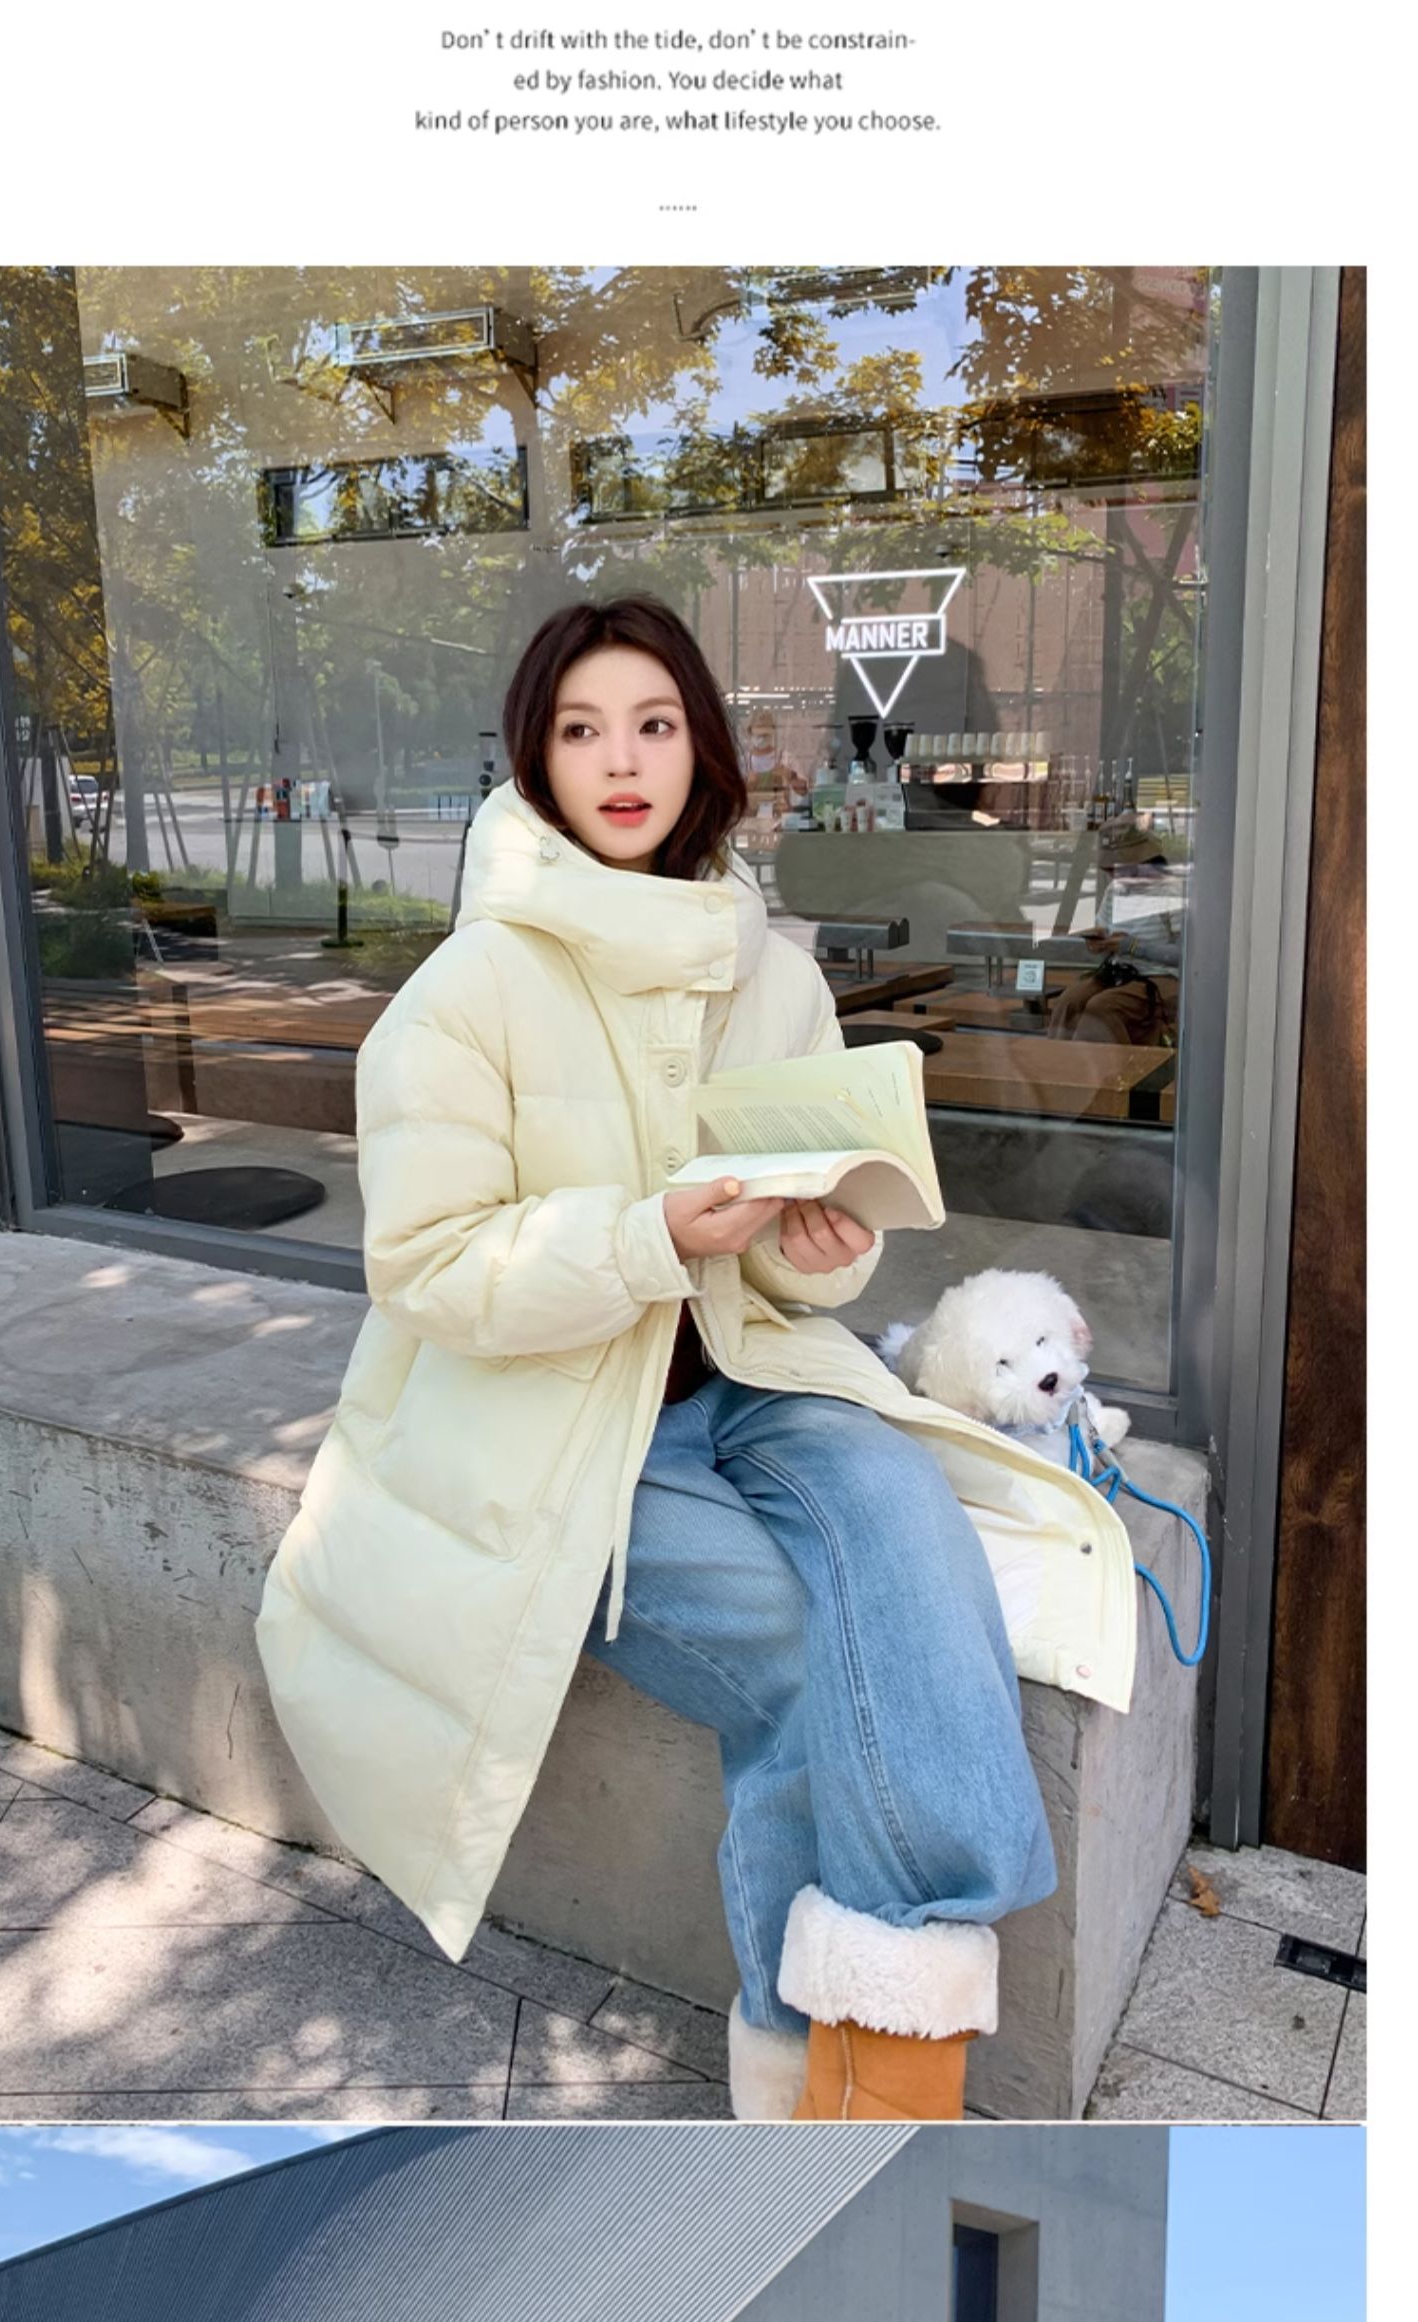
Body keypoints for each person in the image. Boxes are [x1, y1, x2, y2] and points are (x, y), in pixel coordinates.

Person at [256, 593, 1137, 2122]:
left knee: (909, 1524)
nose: (622, 760)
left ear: (703, 748)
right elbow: (428, 1264)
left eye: (654, 724)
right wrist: (647, 1234)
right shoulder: (466, 991)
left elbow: (809, 1244)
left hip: (752, 1372)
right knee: (802, 1661)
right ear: (535, 757)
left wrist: (824, 1245)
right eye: (581, 728)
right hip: (555, 1427)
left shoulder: (767, 968)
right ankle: (844, 2080)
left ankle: (878, 2040)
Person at [1049, 816, 1183, 1046]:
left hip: (1160, 975)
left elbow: (1183, 955)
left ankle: (1116, 1066)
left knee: (1102, 1009)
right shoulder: (1115, 890)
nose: (1112, 875)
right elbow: (1104, 928)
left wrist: (1132, 946)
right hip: (1118, 970)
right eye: (1108, 869)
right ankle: (1057, 1060)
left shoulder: (1172, 891)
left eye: (1117, 868)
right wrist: (1099, 941)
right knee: (1069, 1002)